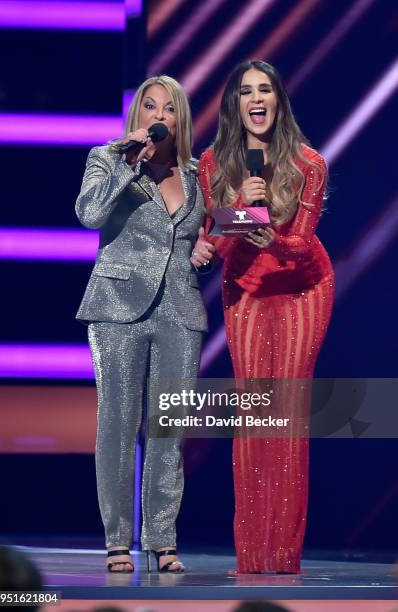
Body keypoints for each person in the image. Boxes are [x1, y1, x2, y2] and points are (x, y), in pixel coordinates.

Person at [191, 60, 334, 573]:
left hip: (303, 288)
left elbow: (301, 243)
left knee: (287, 416)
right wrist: (240, 209)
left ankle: (284, 554)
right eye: (245, 91)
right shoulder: (213, 162)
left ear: (278, 101)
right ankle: (252, 555)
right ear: (234, 104)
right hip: (247, 287)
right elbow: (218, 237)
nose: (256, 99)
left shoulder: (308, 164)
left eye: (265, 90)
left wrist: (266, 229)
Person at [75, 75, 207, 573]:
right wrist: (127, 166)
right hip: (116, 306)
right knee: (117, 425)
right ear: (136, 118)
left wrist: (203, 247)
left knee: (168, 430)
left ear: (179, 120)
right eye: (148, 106)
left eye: (167, 109)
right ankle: (116, 541)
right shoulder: (105, 159)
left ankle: (162, 539)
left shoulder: (197, 174)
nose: (157, 115)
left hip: (180, 309)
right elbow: (89, 215)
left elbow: (206, 229)